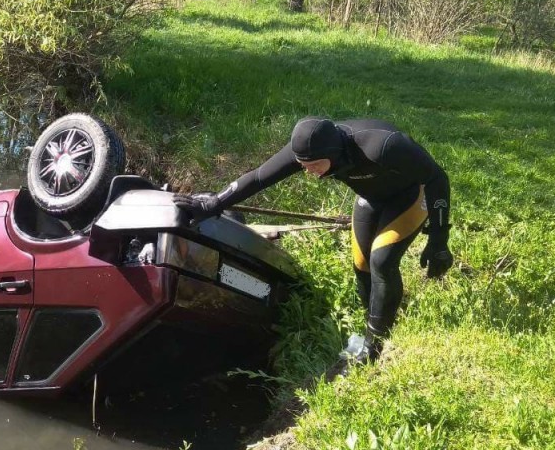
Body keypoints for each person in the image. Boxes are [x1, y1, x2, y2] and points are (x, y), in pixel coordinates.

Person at [174, 118, 453, 367]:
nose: (308, 171)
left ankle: (375, 344)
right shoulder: (308, 149)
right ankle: (377, 318)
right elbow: (259, 177)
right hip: (370, 199)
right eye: (303, 166)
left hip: (408, 198)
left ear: (333, 153)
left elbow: (437, 177)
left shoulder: (383, 146)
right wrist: (215, 203)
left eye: (313, 165)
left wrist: (439, 240)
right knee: (361, 262)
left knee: (382, 260)